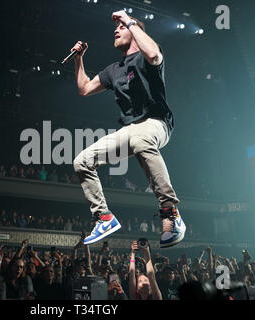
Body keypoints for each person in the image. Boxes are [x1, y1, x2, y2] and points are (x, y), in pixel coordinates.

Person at [71, 10, 185, 248]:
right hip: (129, 130)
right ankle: (103, 218)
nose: (116, 30)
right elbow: (84, 89)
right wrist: (78, 59)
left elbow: (153, 54)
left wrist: (129, 21)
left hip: (157, 122)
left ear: (135, 31)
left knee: (141, 139)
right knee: (82, 161)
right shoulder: (113, 69)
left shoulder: (147, 55)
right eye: (117, 28)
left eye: (120, 28)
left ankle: (171, 214)